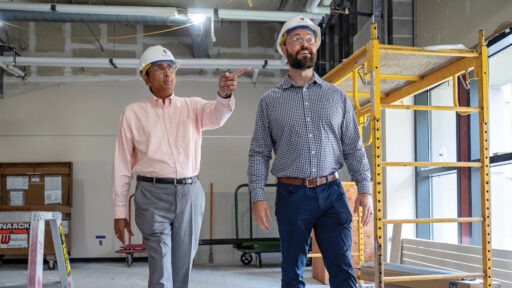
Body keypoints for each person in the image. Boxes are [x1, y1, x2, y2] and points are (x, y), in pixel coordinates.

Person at [247, 16, 373, 288]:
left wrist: (365, 189)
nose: (304, 45)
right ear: (284, 49)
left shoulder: (336, 97)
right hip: (292, 196)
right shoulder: (270, 102)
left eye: (309, 39)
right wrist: (257, 196)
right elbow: (259, 152)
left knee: (342, 270)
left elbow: (353, 146)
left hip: (332, 193)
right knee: (292, 274)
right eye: (296, 40)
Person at [112, 45, 249, 288]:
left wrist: (223, 95)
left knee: (184, 261)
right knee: (160, 264)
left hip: (190, 193)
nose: (168, 74)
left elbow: (217, 116)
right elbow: (122, 165)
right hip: (151, 195)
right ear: (146, 77)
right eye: (159, 69)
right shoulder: (133, 114)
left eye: (171, 68)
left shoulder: (192, 107)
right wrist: (120, 212)